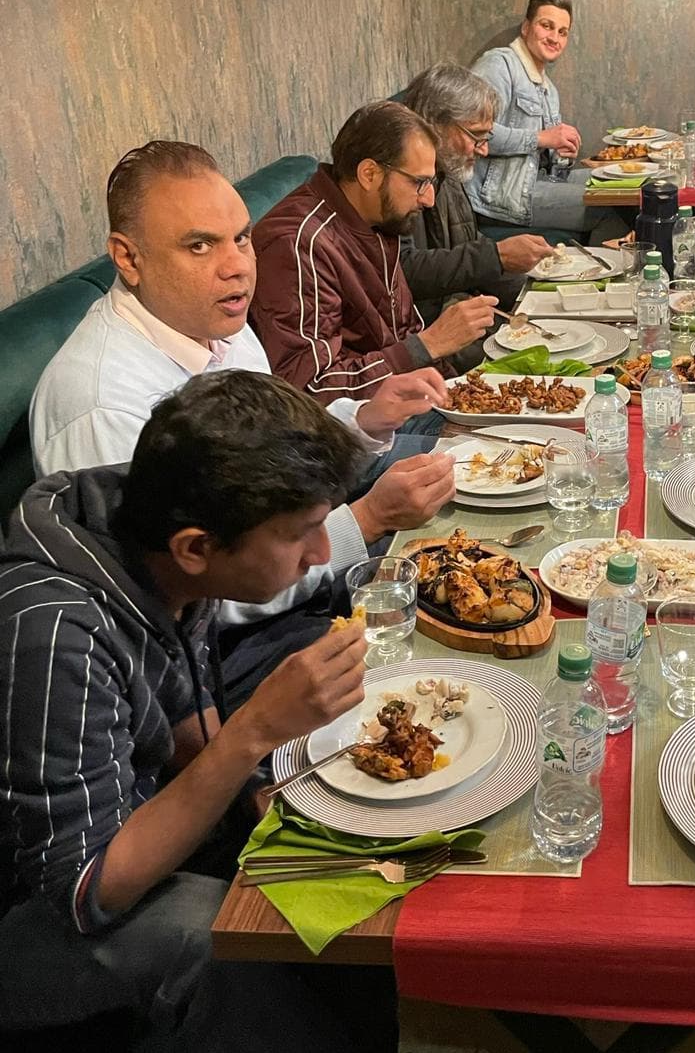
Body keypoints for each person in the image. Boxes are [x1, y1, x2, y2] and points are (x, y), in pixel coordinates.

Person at [0, 371, 538, 1053]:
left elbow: (185, 713)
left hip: (113, 830)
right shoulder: (55, 629)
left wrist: (268, 798)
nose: (322, 555)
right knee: (195, 933)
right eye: (297, 535)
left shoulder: (146, 532)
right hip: (28, 912)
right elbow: (85, 893)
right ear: (196, 546)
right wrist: (252, 735)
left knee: (313, 837)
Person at [29, 141, 456, 695]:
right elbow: (184, 601)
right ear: (129, 258)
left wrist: (362, 422)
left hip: (282, 567)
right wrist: (366, 521)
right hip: (213, 656)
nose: (237, 267)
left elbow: (271, 466)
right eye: (199, 245)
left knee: (459, 511)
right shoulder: (101, 405)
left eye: (241, 238)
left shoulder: (214, 323)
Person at [252, 101, 500, 399]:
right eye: (420, 182)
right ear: (369, 174)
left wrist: (459, 390)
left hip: (407, 399)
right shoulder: (299, 244)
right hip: (354, 422)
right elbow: (308, 388)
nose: (429, 199)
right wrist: (427, 345)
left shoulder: (376, 218)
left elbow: (403, 332)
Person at [394, 63, 554, 319]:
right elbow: (402, 272)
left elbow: (466, 243)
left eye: (486, 137)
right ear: (434, 124)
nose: (483, 149)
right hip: (422, 327)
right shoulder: (396, 175)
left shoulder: (446, 171)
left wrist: (539, 297)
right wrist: (497, 256)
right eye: (475, 135)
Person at [468, 0, 593, 233]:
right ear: (526, 28)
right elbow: (474, 133)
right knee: (606, 208)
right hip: (500, 197)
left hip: (540, 181)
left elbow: (548, 159)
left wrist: (563, 155)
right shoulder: (498, 64)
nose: (554, 38)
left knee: (617, 188)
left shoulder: (549, 90)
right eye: (546, 26)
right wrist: (541, 138)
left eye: (562, 32)